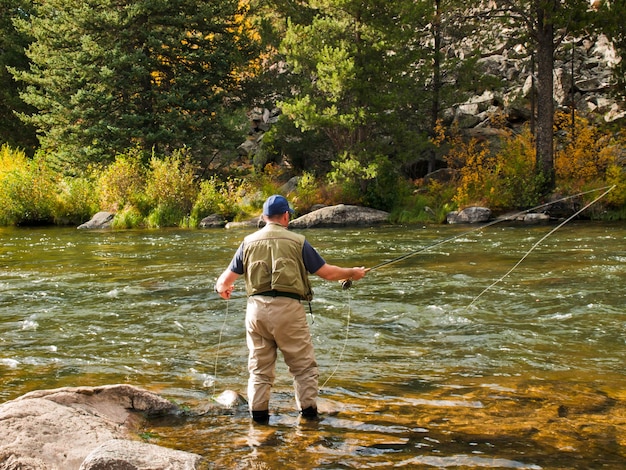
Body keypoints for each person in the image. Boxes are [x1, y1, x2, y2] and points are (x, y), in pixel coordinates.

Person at [215, 194, 368, 424]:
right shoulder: (298, 241)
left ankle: (258, 424)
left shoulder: (247, 242)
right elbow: (327, 273)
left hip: (255, 311)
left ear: (264, 217)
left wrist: (223, 289)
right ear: (286, 216)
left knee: (259, 370)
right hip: (287, 310)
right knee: (303, 368)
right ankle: (308, 420)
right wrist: (352, 273)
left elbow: (223, 281)